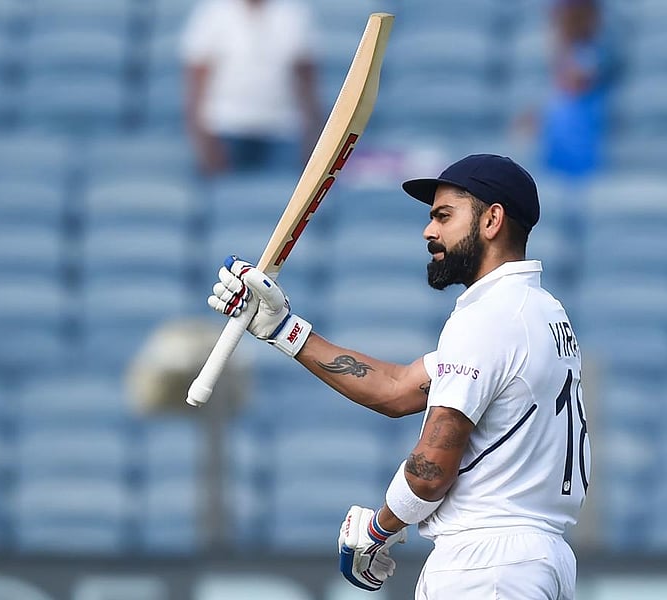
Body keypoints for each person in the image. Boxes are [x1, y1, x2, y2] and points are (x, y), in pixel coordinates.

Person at [208, 154, 590, 598]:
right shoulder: (542, 312)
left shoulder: (489, 318)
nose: (430, 231)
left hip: (487, 564)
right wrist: (284, 330)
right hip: (537, 558)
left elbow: (430, 469)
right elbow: (397, 389)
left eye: (444, 217)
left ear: (492, 220)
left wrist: (377, 529)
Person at [180, 0, 321, 176]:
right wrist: (201, 139)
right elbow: (195, 82)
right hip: (224, 128)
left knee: (284, 196)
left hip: (282, 129)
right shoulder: (213, 12)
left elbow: (307, 81)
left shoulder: (293, 12)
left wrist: (314, 137)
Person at [540, 0, 612, 177]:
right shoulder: (565, 49)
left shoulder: (592, 52)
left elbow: (577, 82)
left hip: (583, 122)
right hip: (563, 124)